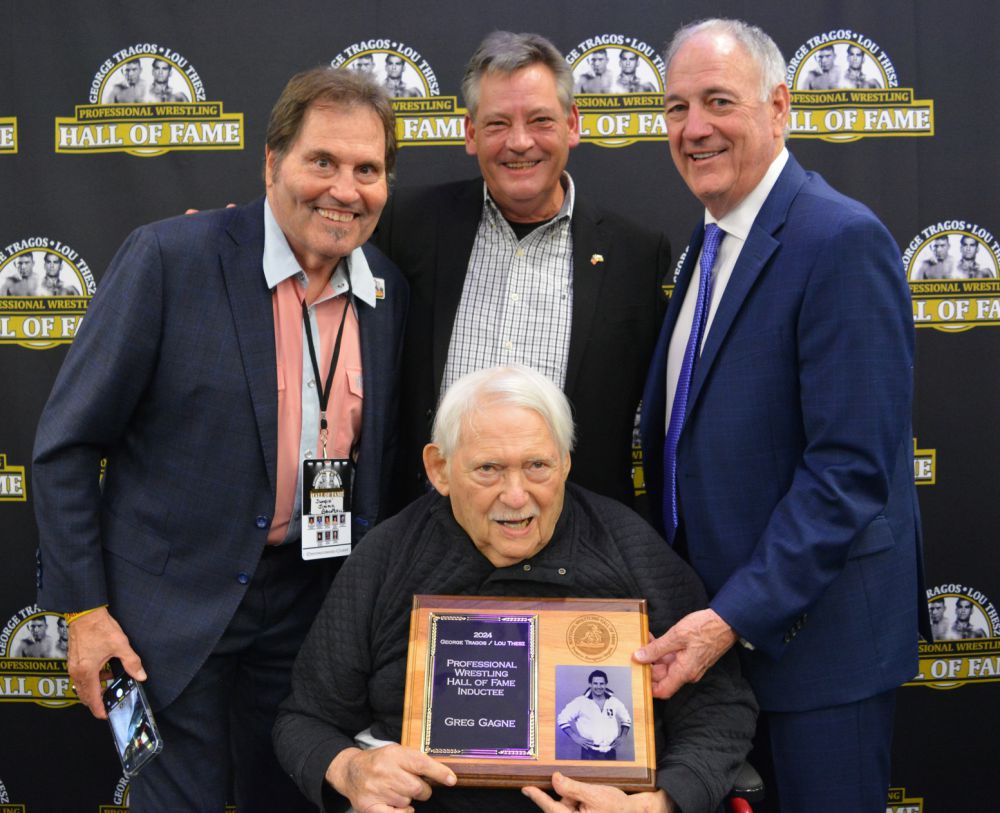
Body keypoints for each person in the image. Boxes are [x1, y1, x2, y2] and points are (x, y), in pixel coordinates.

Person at [33, 67, 408, 813]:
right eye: (322, 162)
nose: (344, 188)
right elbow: (66, 444)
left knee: (297, 796)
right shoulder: (172, 258)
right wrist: (85, 611)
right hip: (168, 613)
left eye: (367, 170)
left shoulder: (383, 292)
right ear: (272, 164)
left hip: (310, 607)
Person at [636, 19, 926, 813]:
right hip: (720, 659)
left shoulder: (840, 240)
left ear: (779, 107)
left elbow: (848, 473)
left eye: (718, 102)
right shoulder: (706, 245)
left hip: (816, 656)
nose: (693, 128)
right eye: (675, 107)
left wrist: (730, 618)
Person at [274, 365, 756, 813]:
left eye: (537, 466)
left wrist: (657, 805)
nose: (517, 495)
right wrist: (351, 769)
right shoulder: (389, 556)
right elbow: (304, 719)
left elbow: (720, 706)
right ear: (439, 469)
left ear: (565, 463)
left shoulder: (628, 549)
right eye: (488, 469)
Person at [374, 31, 670, 511]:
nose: (519, 142)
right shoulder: (403, 225)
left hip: (576, 548)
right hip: (426, 537)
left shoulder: (637, 255)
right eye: (497, 123)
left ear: (572, 124)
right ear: (470, 134)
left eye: (539, 120)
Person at [557, 669, 631, 759]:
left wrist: (623, 736)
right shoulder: (580, 702)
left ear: (606, 684)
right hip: (589, 753)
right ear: (590, 684)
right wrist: (574, 737)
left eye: (601, 683)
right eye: (595, 683)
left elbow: (626, 719)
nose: (598, 687)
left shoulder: (614, 702)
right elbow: (562, 718)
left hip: (610, 752)